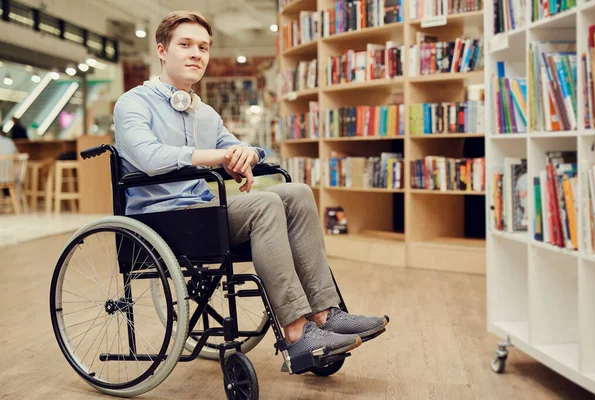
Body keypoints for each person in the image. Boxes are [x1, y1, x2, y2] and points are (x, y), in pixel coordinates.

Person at [113, 10, 389, 360]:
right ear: (162, 51)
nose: (197, 53)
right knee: (265, 204)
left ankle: (325, 313)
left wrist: (246, 153)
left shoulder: (205, 114)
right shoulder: (133, 103)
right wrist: (218, 157)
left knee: (297, 191)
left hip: (201, 213)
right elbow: (150, 158)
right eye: (185, 44)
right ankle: (296, 333)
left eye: (203, 47)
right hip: (160, 219)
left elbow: (244, 148)